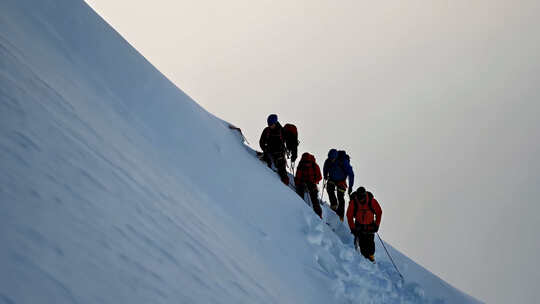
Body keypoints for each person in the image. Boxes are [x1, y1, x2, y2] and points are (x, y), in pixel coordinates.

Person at [346, 187, 382, 262]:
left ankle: (371, 257)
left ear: (365, 195)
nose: (361, 199)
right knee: (362, 244)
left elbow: (379, 212)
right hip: (359, 226)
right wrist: (352, 228)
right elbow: (349, 215)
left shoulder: (371, 201)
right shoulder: (354, 202)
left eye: (362, 197)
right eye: (359, 198)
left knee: (370, 243)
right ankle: (366, 260)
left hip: (370, 226)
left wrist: (376, 225)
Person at [323, 149, 354, 221]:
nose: (331, 160)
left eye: (332, 159)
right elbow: (325, 168)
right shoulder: (328, 161)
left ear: (336, 157)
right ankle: (334, 205)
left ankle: (341, 215)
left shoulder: (343, 162)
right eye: (330, 158)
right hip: (332, 179)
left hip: (341, 181)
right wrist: (325, 175)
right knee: (329, 189)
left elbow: (351, 174)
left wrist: (350, 186)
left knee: (340, 197)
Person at [259, 114, 289, 185]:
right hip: (269, 152)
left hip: (279, 154)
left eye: (271, 124)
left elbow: (287, 142)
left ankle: (285, 185)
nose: (270, 126)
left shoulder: (281, 131)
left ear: (275, 122)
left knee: (281, 169)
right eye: (269, 124)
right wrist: (265, 149)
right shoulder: (267, 130)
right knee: (266, 164)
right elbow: (261, 142)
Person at [294, 152, 323, 218]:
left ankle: (319, 215)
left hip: (312, 182)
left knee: (314, 198)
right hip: (303, 182)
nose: (306, 164)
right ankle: (301, 211)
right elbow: (298, 176)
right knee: (300, 193)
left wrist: (313, 182)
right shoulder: (301, 164)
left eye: (307, 163)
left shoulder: (314, 165)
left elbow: (319, 177)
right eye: (305, 162)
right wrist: (298, 183)